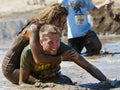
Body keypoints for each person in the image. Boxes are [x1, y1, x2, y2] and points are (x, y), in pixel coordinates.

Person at [19, 24, 109, 85]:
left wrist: (107, 81)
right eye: (50, 42)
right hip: (36, 79)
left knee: (68, 82)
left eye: (58, 41)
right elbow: (22, 83)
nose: (55, 46)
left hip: (53, 76)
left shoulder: (63, 48)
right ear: (41, 42)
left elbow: (87, 65)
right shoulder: (28, 53)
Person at [2, 3, 68, 84]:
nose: (61, 25)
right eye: (59, 21)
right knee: (41, 84)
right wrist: (61, 58)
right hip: (12, 68)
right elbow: (38, 59)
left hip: (29, 66)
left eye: (63, 22)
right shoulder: (35, 29)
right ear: (52, 18)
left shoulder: (49, 31)